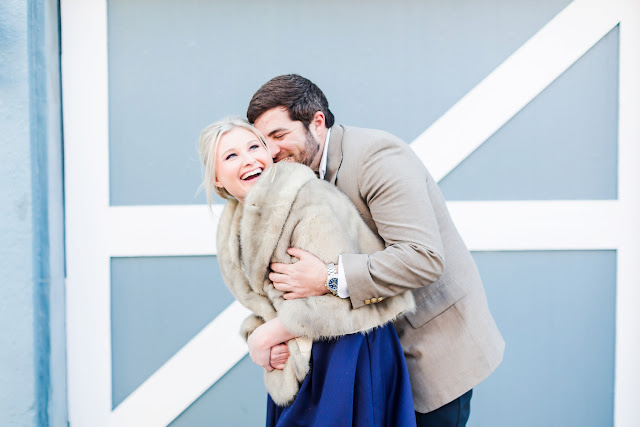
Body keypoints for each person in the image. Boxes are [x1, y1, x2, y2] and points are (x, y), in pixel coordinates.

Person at [246, 74, 506, 426]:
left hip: (429, 355)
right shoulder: (292, 178)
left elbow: (421, 258)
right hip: (366, 363)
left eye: (280, 135)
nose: (271, 151)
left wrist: (330, 278)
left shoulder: (377, 157)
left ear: (317, 123)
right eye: (264, 141)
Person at [199, 117, 417, 426]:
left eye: (254, 147)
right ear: (217, 178)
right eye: (231, 155)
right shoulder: (236, 222)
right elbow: (269, 302)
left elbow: (348, 297)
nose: (248, 159)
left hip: (349, 350)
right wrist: (262, 338)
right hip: (302, 357)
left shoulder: (305, 199)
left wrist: (265, 337)